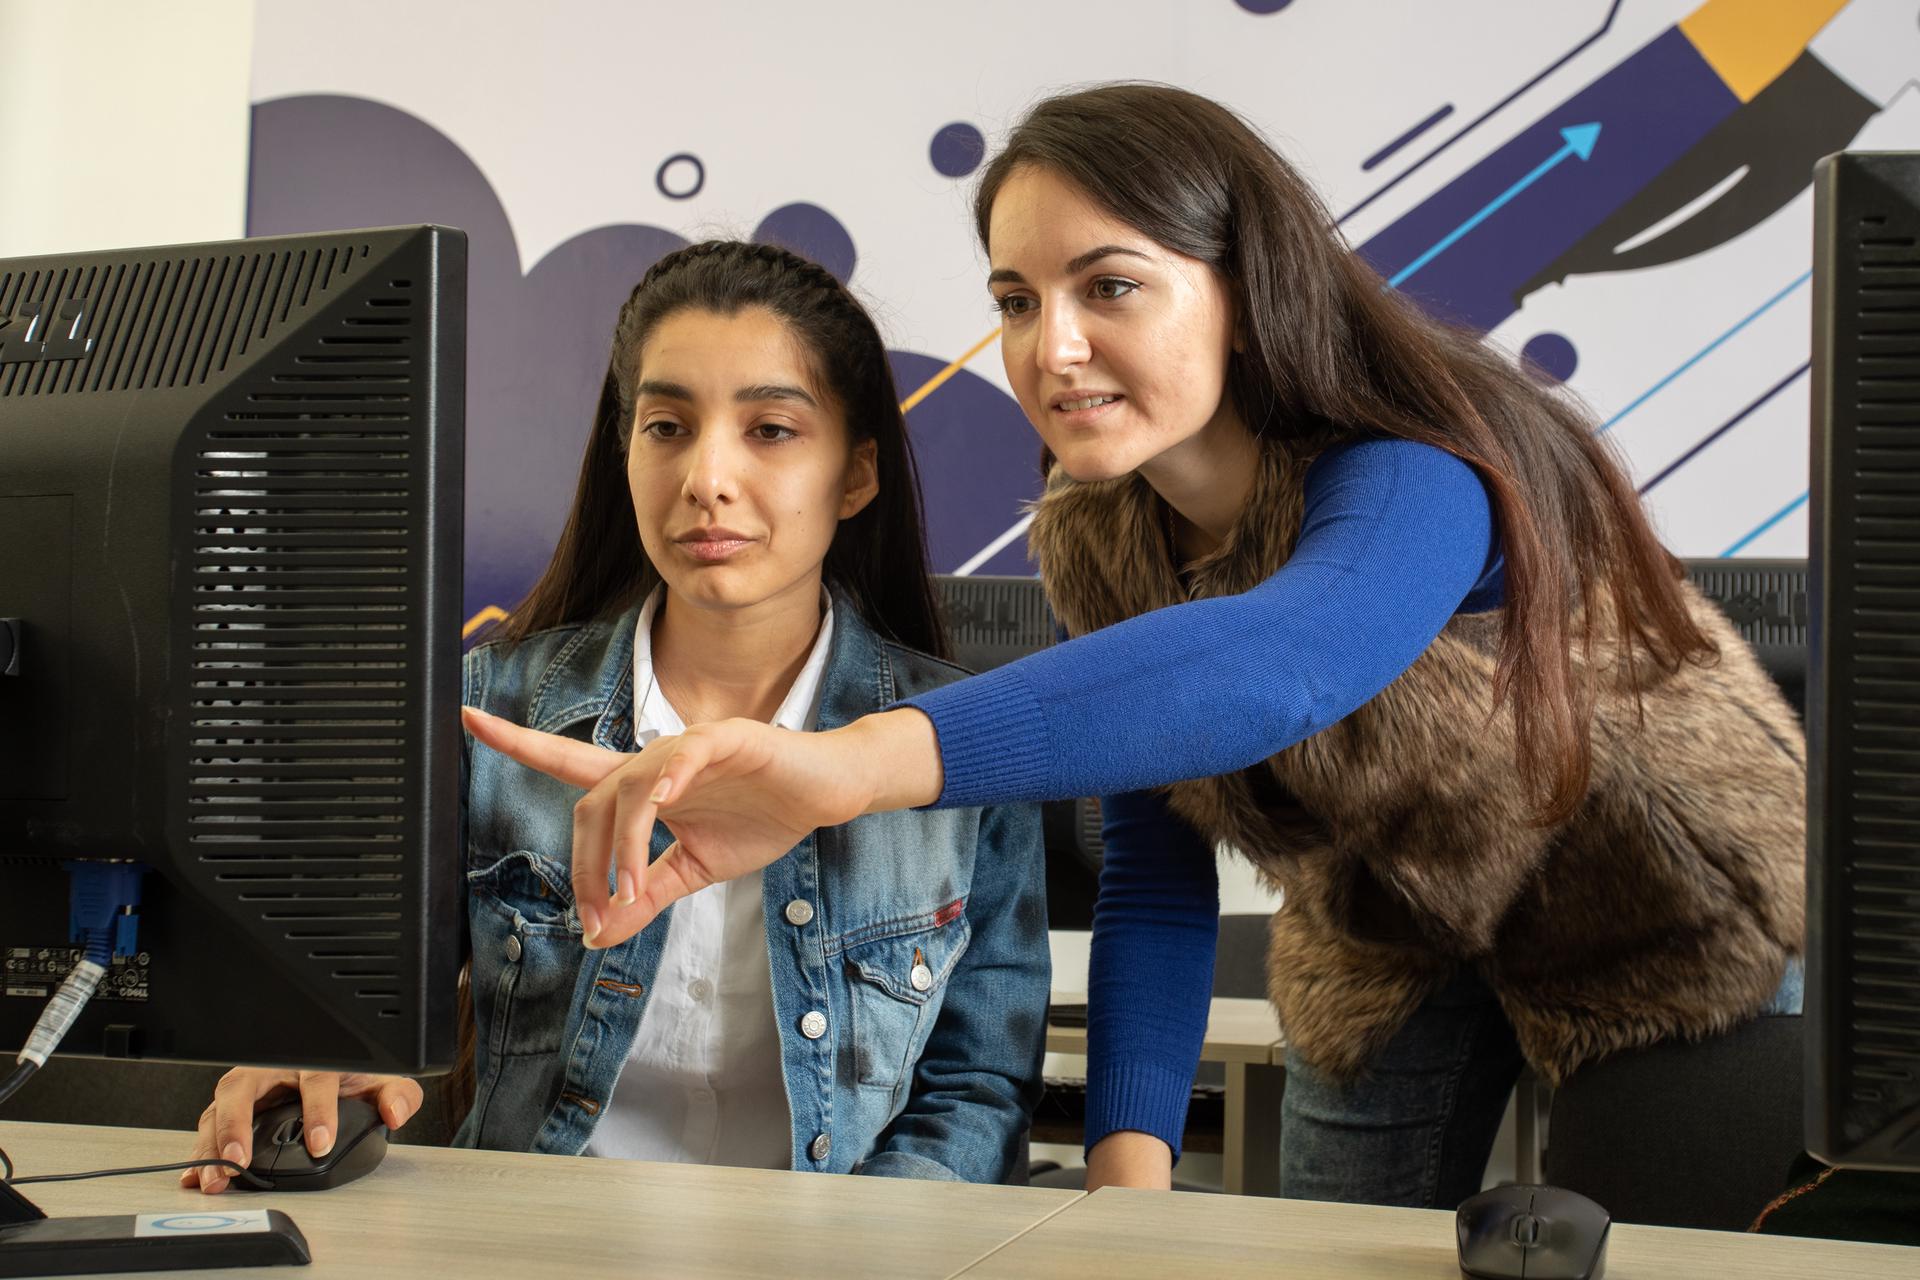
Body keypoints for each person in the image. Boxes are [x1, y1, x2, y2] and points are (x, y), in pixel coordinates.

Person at [470, 84, 1805, 1208]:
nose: (1052, 347)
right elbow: (1157, 872)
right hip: (1391, 923)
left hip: (1657, 907)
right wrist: (1127, 1187)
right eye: (1014, 297)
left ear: (1243, 288)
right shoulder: (1106, 540)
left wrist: (852, 765)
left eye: (1109, 285)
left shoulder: (1425, 466)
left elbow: (1278, 664)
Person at [182, 240, 1049, 1191]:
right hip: (533, 1245)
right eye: (668, 426)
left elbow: (979, 1089)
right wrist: (320, 1056)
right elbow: (366, 1017)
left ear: (856, 474)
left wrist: (855, 1249)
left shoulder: (961, 745)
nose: (705, 478)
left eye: (770, 430)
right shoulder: (491, 711)